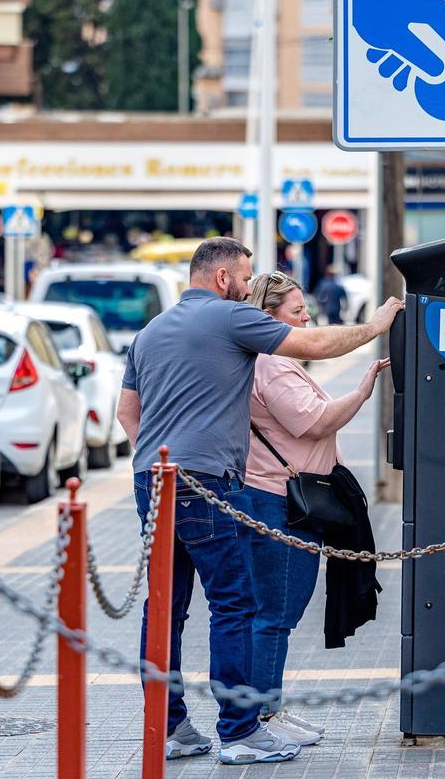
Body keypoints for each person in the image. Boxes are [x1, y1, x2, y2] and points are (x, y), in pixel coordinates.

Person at [117, 237, 403, 765]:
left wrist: (160, 456)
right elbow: (314, 345)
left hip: (151, 479)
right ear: (223, 279)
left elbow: (127, 414)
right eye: (245, 278)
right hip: (204, 482)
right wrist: (377, 325)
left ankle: (170, 727)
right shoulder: (229, 318)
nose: (249, 288)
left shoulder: (149, 332)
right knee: (234, 604)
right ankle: (240, 732)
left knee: (166, 609)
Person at [238, 271, 389, 745]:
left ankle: (268, 710)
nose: (307, 318)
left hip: (280, 499)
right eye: (297, 312)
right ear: (269, 318)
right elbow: (315, 422)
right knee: (276, 613)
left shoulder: (271, 360)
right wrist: (363, 389)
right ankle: (263, 717)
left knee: (276, 611)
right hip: (281, 503)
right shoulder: (271, 363)